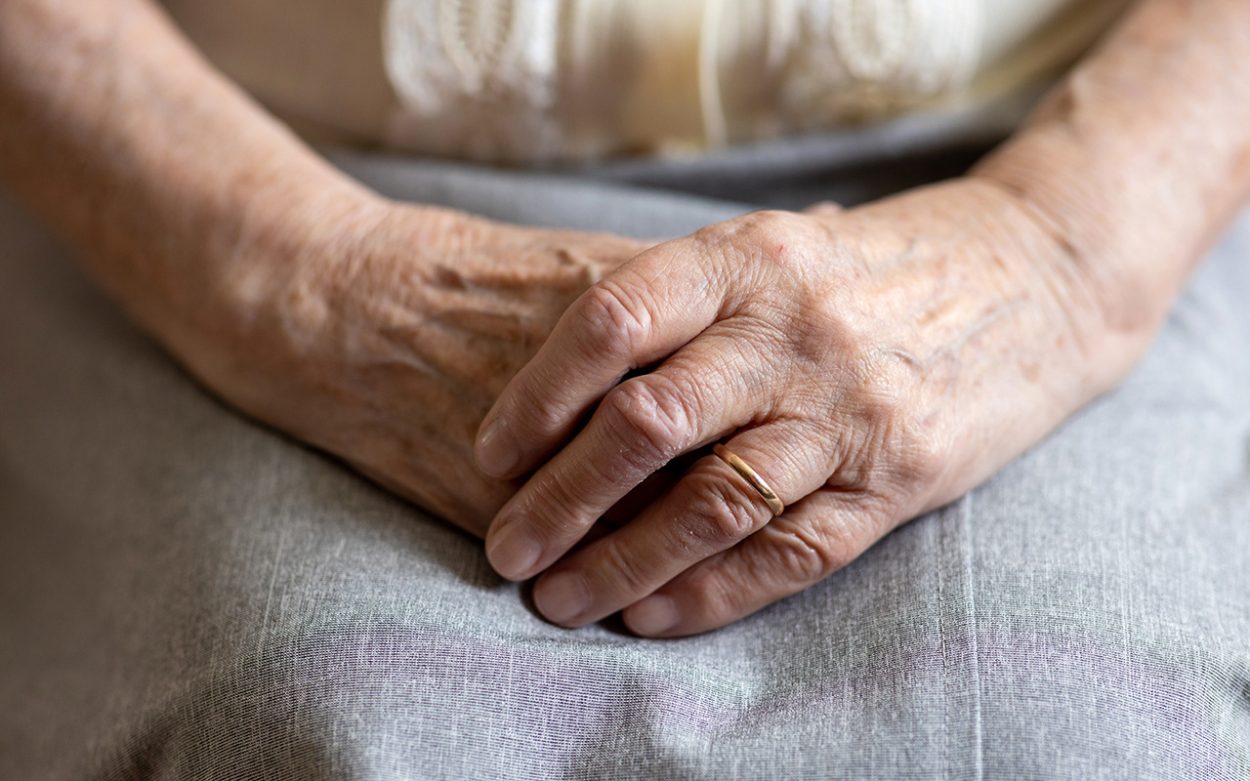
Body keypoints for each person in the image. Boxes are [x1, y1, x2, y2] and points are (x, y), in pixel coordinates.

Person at [1, 1, 1247, 778]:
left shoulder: (1069, 223)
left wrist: (1059, 247)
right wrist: (297, 274)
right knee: (311, 728)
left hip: (1088, 162)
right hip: (217, 164)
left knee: (1089, 733)